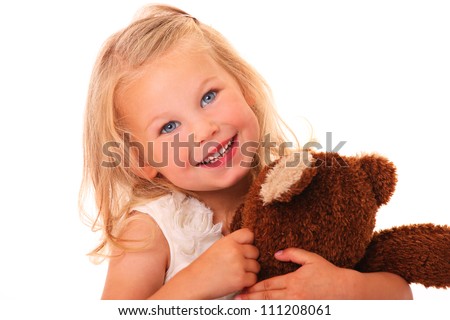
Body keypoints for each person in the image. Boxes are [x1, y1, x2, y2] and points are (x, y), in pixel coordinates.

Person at [80, 4, 413, 300]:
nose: (204, 130)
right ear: (141, 160)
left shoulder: (303, 189)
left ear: (246, 87)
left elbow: (401, 295)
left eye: (209, 97)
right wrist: (193, 283)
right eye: (169, 127)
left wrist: (344, 288)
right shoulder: (153, 233)